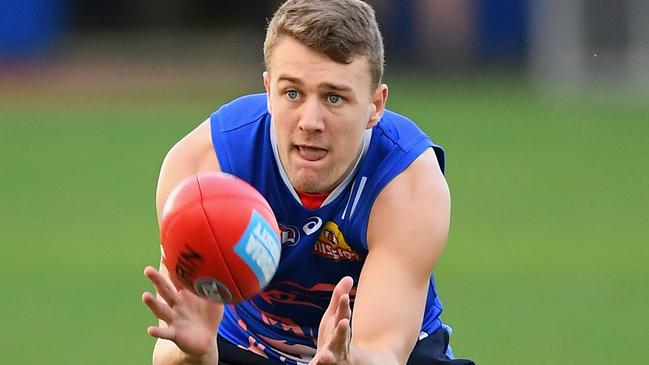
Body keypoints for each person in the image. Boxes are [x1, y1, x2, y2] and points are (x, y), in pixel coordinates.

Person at [142, 1, 474, 364]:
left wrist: (347, 361)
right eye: (292, 93)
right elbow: (173, 352)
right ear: (268, 91)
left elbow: (383, 350)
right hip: (249, 343)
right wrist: (199, 351)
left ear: (375, 106)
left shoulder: (406, 183)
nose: (310, 121)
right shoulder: (205, 169)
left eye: (334, 97)